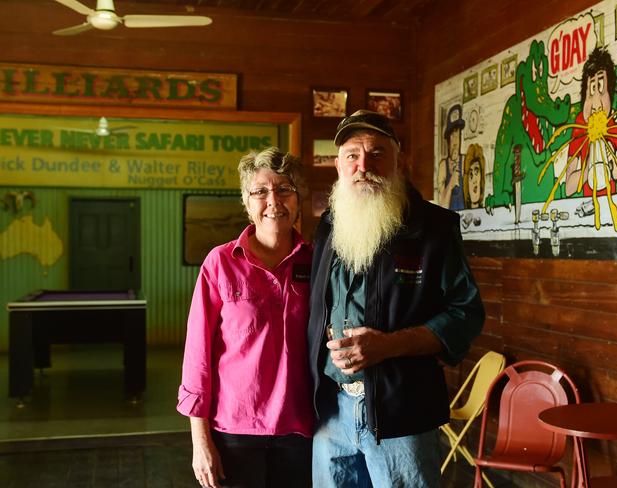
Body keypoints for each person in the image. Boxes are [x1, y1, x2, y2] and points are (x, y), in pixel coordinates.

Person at [307, 110, 485, 487]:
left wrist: (388, 346)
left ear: (398, 161)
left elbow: (466, 313)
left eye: (376, 153)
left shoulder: (433, 229)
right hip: (331, 413)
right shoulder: (327, 226)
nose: (363, 165)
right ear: (338, 164)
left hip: (401, 415)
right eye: (352, 155)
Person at [177, 147, 314, 488]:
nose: (274, 201)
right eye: (261, 191)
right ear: (247, 201)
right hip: (234, 431)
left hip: (302, 430)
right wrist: (200, 440)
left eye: (285, 189)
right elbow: (198, 357)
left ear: (298, 199)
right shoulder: (220, 263)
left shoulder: (317, 262)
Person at [566, 46, 617, 197]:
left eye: (601, 89)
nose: (595, 104)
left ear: (611, 94)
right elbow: (569, 188)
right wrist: (587, 168)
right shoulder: (580, 124)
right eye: (590, 92)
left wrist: (613, 164)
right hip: (587, 206)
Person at [437, 104, 466, 210]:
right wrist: (450, 184)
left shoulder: (464, 161)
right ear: (448, 140)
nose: (455, 141)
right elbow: (442, 204)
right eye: (452, 136)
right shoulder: (443, 166)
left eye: (458, 135)